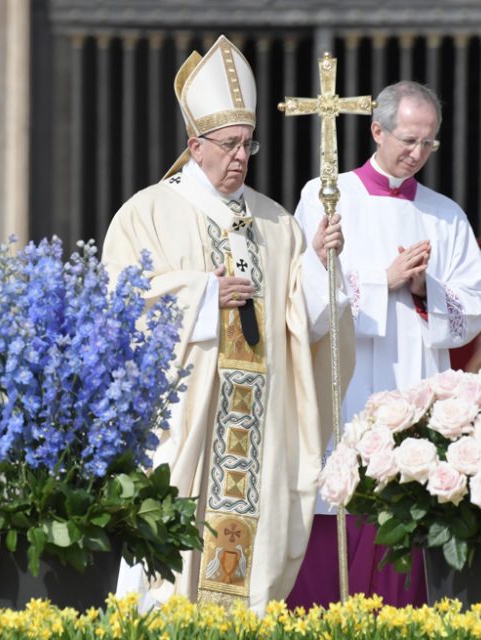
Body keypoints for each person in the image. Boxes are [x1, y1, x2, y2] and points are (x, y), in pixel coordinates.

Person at [102, 35, 353, 614]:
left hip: (258, 430)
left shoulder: (277, 222)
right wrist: (201, 294)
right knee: (169, 579)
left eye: (249, 145)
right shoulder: (147, 214)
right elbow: (122, 305)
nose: (240, 156)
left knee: (249, 584)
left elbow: (304, 324)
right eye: (228, 145)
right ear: (194, 145)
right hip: (186, 425)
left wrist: (318, 262)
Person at [288, 81, 481, 608]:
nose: (417, 153)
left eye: (429, 143)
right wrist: (385, 280)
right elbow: (305, 297)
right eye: (408, 139)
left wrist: (428, 288)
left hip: (416, 387)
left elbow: (479, 303)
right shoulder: (325, 196)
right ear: (376, 130)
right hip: (348, 388)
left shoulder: (445, 215)